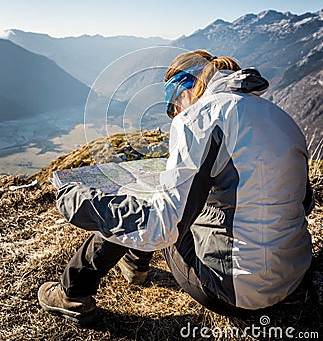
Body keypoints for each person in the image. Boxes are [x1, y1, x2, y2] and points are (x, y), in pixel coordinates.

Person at [38, 50, 314, 325]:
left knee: (140, 203)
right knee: (175, 195)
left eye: (172, 102)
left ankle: (72, 292)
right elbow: (304, 203)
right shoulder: (280, 117)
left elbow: (162, 226)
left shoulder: (199, 118)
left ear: (186, 88)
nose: (174, 113)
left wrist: (80, 201)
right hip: (292, 274)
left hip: (235, 289)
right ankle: (135, 264)